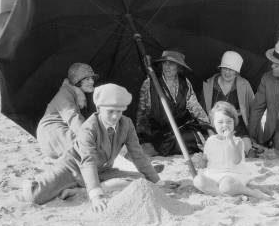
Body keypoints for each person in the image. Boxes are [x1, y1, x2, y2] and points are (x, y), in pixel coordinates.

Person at [20, 84, 174, 212]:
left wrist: (158, 182)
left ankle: (79, 191)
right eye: (110, 111)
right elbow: (87, 161)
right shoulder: (89, 127)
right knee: (34, 195)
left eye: (119, 111)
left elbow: (138, 155)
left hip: (102, 170)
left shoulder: (126, 124)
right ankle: (86, 188)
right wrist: (96, 196)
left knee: (142, 180)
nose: (115, 116)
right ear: (99, 108)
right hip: (72, 167)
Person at [136, 49, 213, 157]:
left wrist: (208, 128)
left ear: (178, 67)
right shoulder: (149, 83)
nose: (167, 67)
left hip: (180, 128)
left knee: (200, 137)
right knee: (161, 144)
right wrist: (143, 138)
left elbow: (195, 107)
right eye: (164, 63)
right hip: (158, 131)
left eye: (171, 64)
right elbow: (142, 114)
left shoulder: (185, 83)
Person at [193, 102, 271, 200]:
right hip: (214, 174)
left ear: (234, 123)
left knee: (226, 186)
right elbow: (205, 162)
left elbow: (236, 160)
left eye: (229, 122)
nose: (225, 125)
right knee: (198, 180)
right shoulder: (210, 141)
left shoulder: (237, 141)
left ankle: (251, 192)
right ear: (213, 123)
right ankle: (226, 195)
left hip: (233, 175)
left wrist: (230, 140)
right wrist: (200, 161)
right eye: (220, 122)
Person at [36, 63, 98, 159]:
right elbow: (74, 120)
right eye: (87, 79)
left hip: (56, 137)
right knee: (90, 149)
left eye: (92, 78)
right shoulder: (65, 95)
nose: (92, 82)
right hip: (53, 136)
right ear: (77, 81)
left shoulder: (74, 94)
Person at [201, 51, 256, 154]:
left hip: (237, 126)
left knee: (246, 148)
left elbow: (254, 108)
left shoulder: (244, 84)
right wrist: (210, 132)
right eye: (225, 68)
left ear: (236, 72)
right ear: (220, 69)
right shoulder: (208, 85)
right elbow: (202, 113)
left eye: (231, 70)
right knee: (218, 148)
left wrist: (254, 132)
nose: (227, 72)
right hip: (215, 126)